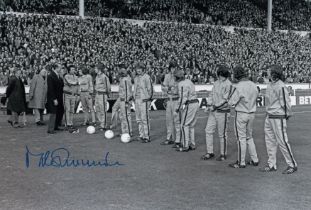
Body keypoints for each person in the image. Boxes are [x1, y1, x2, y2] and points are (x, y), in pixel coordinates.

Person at [260, 65, 298, 174]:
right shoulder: (270, 85)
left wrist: (286, 115)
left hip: (278, 117)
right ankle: (271, 164)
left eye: (268, 71)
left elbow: (285, 103)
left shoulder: (280, 86)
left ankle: (292, 164)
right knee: (269, 141)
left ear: (273, 73)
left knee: (282, 142)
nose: (266, 73)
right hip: (270, 116)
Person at [228, 65, 259, 168]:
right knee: (249, 137)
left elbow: (232, 103)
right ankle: (255, 159)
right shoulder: (253, 84)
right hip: (252, 113)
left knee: (241, 138)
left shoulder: (238, 86)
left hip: (241, 113)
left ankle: (241, 162)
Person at [201, 65, 232, 161]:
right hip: (214, 111)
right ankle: (210, 152)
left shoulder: (229, 84)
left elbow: (225, 99)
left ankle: (223, 154)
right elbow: (211, 94)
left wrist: (214, 106)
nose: (218, 76)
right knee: (208, 130)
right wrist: (210, 104)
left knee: (222, 134)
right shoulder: (216, 83)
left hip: (223, 111)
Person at [174, 69, 199, 152]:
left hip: (190, 104)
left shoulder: (181, 84)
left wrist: (178, 108)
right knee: (191, 125)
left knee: (184, 125)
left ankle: (185, 145)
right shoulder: (188, 81)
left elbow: (182, 98)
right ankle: (192, 144)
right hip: (195, 102)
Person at [160, 61, 180, 146]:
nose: (173, 69)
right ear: (170, 68)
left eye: (175, 68)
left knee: (177, 120)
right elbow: (163, 87)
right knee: (169, 120)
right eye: (172, 68)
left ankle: (178, 140)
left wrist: (169, 88)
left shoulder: (179, 76)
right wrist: (169, 88)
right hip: (169, 100)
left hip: (176, 100)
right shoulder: (167, 76)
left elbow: (177, 89)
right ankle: (169, 138)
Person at [133, 62, 153, 143]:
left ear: (143, 69)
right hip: (137, 100)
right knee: (138, 119)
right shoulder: (136, 78)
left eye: (140, 68)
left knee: (145, 119)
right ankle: (141, 135)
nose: (138, 70)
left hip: (144, 100)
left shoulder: (147, 77)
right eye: (137, 69)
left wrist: (148, 99)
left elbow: (150, 89)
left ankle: (147, 137)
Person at [46, 63, 64, 134]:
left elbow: (61, 85)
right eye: (59, 67)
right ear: (55, 68)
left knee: (60, 111)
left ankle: (56, 126)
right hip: (54, 97)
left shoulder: (58, 75)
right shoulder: (50, 76)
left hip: (59, 97)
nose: (61, 69)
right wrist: (54, 99)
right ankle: (50, 129)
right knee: (53, 113)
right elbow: (51, 88)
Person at [94, 63, 111, 131]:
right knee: (97, 109)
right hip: (97, 94)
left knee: (103, 110)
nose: (94, 69)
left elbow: (108, 87)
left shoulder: (104, 77)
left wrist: (107, 94)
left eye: (95, 68)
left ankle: (104, 125)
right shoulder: (97, 76)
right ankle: (101, 122)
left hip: (102, 95)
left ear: (99, 69)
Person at [118, 65, 133, 136]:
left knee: (126, 116)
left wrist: (127, 101)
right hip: (122, 99)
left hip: (125, 100)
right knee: (123, 116)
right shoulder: (123, 78)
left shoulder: (125, 79)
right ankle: (125, 131)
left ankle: (128, 132)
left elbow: (127, 91)